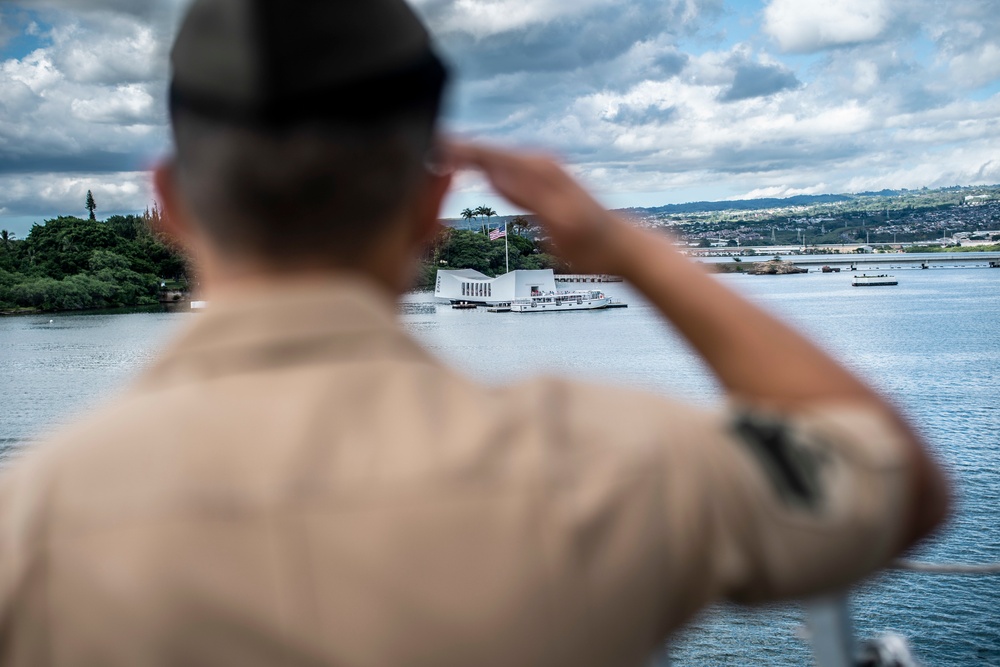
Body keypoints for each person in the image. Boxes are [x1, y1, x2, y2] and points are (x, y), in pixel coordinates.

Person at [0, 0, 948, 665]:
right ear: (436, 204)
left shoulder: (27, 525)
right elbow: (896, 478)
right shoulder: (620, 460)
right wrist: (629, 248)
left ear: (166, 201)